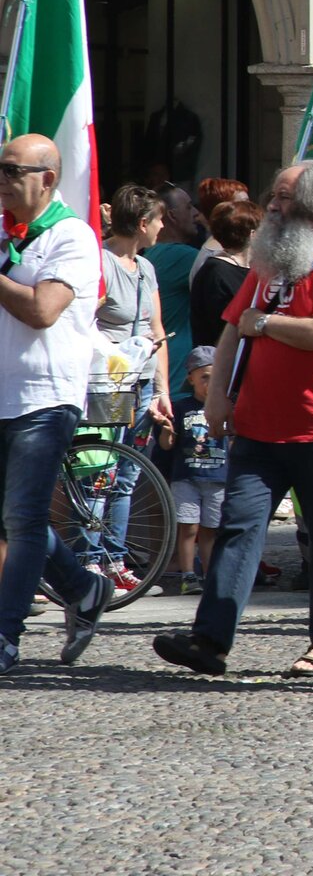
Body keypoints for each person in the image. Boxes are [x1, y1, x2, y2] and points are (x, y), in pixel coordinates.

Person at [153, 160, 313, 678]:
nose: (272, 205)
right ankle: (210, 641)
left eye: (284, 197)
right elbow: (233, 330)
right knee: (237, 530)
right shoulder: (270, 259)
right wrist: (217, 399)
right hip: (257, 425)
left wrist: (267, 322)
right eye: (274, 195)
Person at [0, 134, 112, 675]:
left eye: (11, 171)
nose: (1, 181)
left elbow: (43, 310)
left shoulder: (72, 236)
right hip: (2, 394)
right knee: (11, 520)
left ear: (46, 179)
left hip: (44, 397)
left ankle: (5, 635)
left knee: (23, 520)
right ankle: (84, 588)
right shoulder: (4, 232)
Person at [90, 184, 174, 588]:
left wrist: (162, 391)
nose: (162, 227)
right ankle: (89, 559)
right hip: (110, 385)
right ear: (142, 223)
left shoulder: (146, 268)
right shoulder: (100, 263)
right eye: (158, 220)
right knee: (99, 473)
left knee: (127, 476)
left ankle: (115, 559)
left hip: (141, 385)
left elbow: (156, 330)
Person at [161, 346, 226, 597]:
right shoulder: (181, 407)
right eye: (204, 377)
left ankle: (210, 575)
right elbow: (167, 445)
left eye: (215, 376)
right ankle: (188, 575)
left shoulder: (227, 407)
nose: (210, 383)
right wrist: (166, 430)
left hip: (218, 478)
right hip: (186, 478)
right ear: (191, 379)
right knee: (188, 527)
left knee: (210, 530)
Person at [145, 182, 202, 401]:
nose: (196, 213)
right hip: (177, 379)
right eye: (188, 207)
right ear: (172, 215)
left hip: (160, 373)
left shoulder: (149, 255)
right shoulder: (182, 257)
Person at [190, 200, 259, 351]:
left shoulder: (253, 269)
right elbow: (223, 328)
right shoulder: (215, 272)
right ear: (253, 235)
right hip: (222, 358)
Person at [189, 178, 249, 278]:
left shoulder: (232, 247)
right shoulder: (214, 257)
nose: (251, 209)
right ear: (222, 211)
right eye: (243, 205)